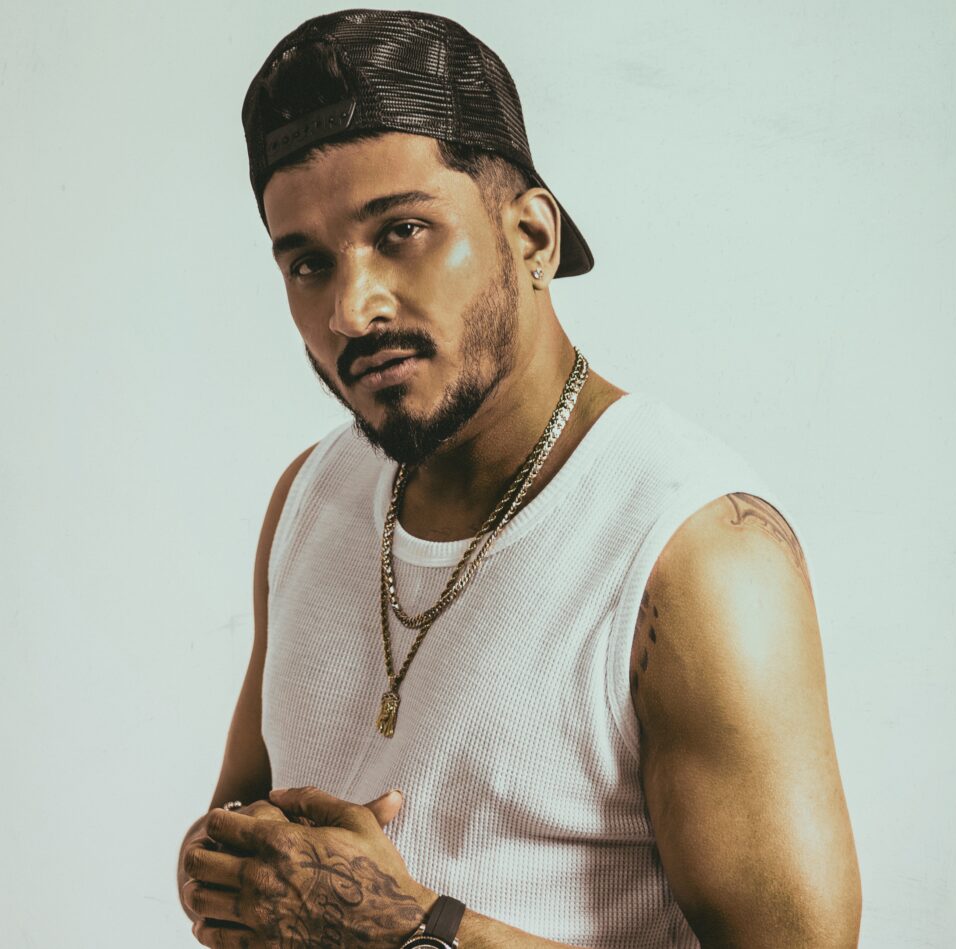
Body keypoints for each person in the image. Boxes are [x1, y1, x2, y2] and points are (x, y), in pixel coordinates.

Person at [177, 9, 861, 948]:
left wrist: (411, 930)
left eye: (402, 231)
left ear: (532, 237)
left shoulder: (695, 553)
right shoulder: (311, 495)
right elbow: (236, 838)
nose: (350, 308)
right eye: (308, 262)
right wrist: (229, 870)